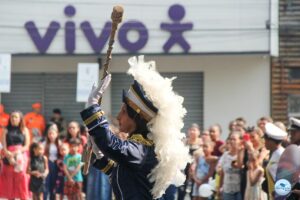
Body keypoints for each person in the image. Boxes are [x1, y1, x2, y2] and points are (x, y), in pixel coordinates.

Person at [80, 56, 189, 199]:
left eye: (124, 112)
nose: (118, 117)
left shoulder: (142, 150)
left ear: (137, 118)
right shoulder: (139, 148)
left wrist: (93, 105)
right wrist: (100, 156)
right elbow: (124, 176)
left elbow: (110, 143)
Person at [0, 111, 30, 199]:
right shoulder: (6, 130)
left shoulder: (24, 129)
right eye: (12, 117)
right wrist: (8, 153)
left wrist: (18, 152)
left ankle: (23, 197)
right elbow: (3, 145)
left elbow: (27, 145)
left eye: (16, 117)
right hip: (8, 156)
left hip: (21, 156)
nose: (13, 119)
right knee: (9, 179)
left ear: (20, 119)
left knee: (21, 178)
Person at [263, 122, 287, 200]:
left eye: (266, 140)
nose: (264, 142)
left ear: (271, 141)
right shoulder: (275, 153)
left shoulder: (281, 154)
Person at [44, 123, 61, 200]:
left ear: (56, 134)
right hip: (47, 164)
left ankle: (52, 198)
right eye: (49, 134)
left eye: (53, 134)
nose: (51, 135)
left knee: (54, 184)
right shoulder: (44, 143)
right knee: (46, 183)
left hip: (56, 165)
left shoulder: (59, 144)